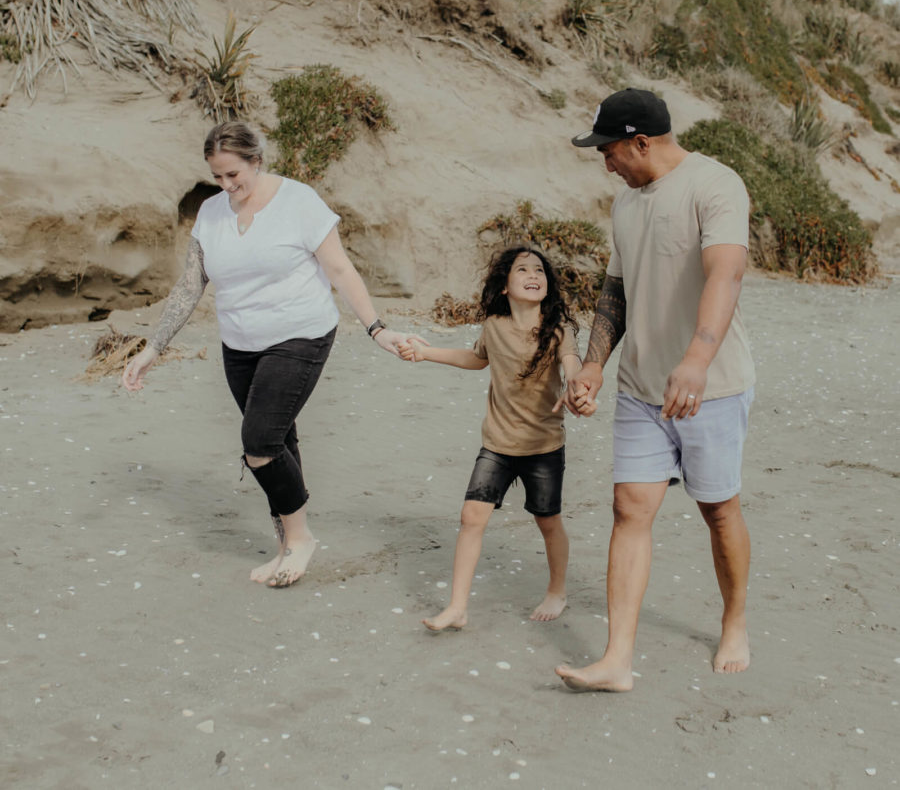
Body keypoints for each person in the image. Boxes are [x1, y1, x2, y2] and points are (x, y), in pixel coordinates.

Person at [123, 121, 423, 588]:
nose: (227, 186)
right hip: (240, 345)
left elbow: (340, 269)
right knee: (281, 440)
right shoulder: (211, 213)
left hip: (300, 335)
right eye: (217, 177)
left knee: (259, 443)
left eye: (234, 175)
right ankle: (286, 548)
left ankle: (300, 539)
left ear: (256, 161)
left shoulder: (298, 202)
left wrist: (376, 329)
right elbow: (189, 286)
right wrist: (152, 348)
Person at [555, 88, 756, 691]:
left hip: (711, 387)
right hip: (642, 388)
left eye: (610, 150)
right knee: (629, 509)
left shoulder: (715, 185)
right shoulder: (626, 203)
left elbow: (727, 270)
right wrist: (593, 366)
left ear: (642, 142)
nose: (605, 162)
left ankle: (735, 620)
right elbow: (615, 291)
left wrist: (696, 360)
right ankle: (617, 659)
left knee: (718, 511)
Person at [398, 246, 589, 630]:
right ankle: (457, 607)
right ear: (504, 286)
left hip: (543, 446)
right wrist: (426, 353)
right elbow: (477, 359)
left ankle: (557, 590)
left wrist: (577, 387)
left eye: (539, 269)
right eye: (522, 269)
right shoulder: (494, 327)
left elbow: (572, 365)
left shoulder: (557, 330)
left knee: (547, 520)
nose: (533, 274)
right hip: (497, 444)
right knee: (471, 517)